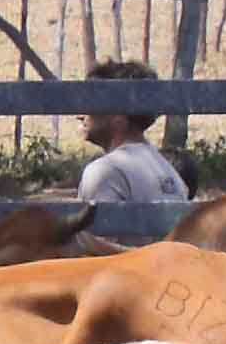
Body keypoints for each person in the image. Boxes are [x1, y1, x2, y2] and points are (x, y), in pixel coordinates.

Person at [71, 54, 187, 243]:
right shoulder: (168, 171)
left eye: (91, 102)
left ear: (118, 115)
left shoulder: (105, 171)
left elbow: (95, 256)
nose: (79, 114)